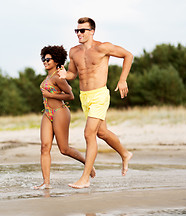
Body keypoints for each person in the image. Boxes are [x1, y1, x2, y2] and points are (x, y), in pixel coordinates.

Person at [58, 17, 133, 189]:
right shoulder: (74, 51)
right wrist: (64, 75)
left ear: (92, 31)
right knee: (102, 133)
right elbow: (72, 74)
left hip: (100, 95)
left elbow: (128, 55)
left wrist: (123, 80)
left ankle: (85, 178)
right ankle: (125, 153)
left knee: (88, 134)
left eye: (82, 30)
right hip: (85, 97)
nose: (79, 34)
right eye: (77, 31)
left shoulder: (103, 47)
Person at [34, 45, 95, 190]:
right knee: (44, 147)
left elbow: (70, 95)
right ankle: (46, 183)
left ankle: (88, 165)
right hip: (47, 113)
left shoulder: (58, 77)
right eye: (43, 58)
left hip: (60, 112)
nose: (45, 61)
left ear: (56, 60)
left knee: (64, 149)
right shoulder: (48, 76)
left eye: (48, 59)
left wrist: (51, 95)